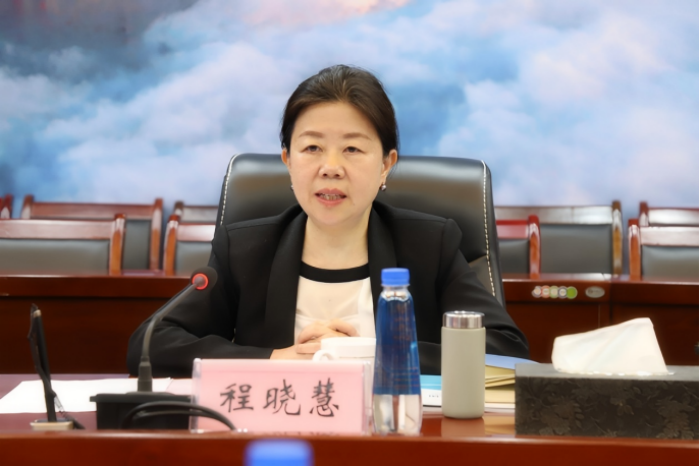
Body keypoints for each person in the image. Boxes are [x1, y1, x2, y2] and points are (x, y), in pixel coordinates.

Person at [127, 65, 529, 377]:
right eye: (312, 148)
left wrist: (372, 354)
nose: (331, 167)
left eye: (352, 149)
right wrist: (276, 359)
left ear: (386, 164)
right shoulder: (246, 250)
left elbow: (505, 349)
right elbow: (150, 344)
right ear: (288, 160)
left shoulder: (428, 245)